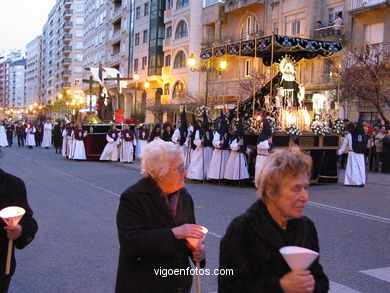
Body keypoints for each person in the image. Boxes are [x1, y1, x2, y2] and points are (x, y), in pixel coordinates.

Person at [219, 147, 329, 293]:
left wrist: (312, 286)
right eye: (296, 189)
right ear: (271, 190)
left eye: (306, 188)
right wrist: (280, 287)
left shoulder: (306, 228)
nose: (305, 197)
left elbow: (320, 278)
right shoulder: (243, 229)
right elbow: (229, 287)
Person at [115, 140, 206, 293]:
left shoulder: (184, 197)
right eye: (179, 168)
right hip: (144, 285)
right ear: (160, 172)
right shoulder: (134, 197)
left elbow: (189, 238)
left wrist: (198, 252)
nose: (185, 173)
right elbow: (131, 242)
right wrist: (173, 234)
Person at [338, 116, 368, 187]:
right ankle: (357, 181)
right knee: (356, 168)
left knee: (355, 168)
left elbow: (344, 144)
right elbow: (345, 144)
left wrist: (340, 152)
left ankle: (357, 181)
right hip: (355, 153)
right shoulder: (361, 136)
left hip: (357, 154)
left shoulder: (350, 135)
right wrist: (340, 151)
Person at [187, 110, 214, 181]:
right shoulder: (198, 131)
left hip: (209, 150)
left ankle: (207, 176)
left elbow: (212, 140)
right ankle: (198, 176)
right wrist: (200, 142)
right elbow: (195, 141)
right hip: (201, 150)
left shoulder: (211, 132)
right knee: (199, 163)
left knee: (208, 163)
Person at [207, 110, 230, 180]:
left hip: (225, 151)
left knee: (224, 165)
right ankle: (215, 177)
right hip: (218, 152)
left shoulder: (227, 133)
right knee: (217, 165)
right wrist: (220, 143)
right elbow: (214, 142)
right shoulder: (218, 133)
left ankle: (223, 177)